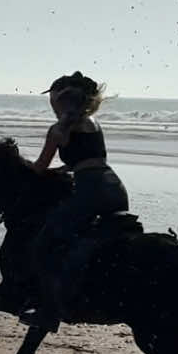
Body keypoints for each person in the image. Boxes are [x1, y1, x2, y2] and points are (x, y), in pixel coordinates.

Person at [27, 72, 135, 327]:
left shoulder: (58, 130)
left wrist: (17, 165)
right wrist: (60, 171)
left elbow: (39, 168)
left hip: (90, 191)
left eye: (52, 101)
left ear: (59, 102)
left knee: (45, 242)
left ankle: (49, 310)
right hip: (114, 188)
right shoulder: (93, 122)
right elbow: (84, 160)